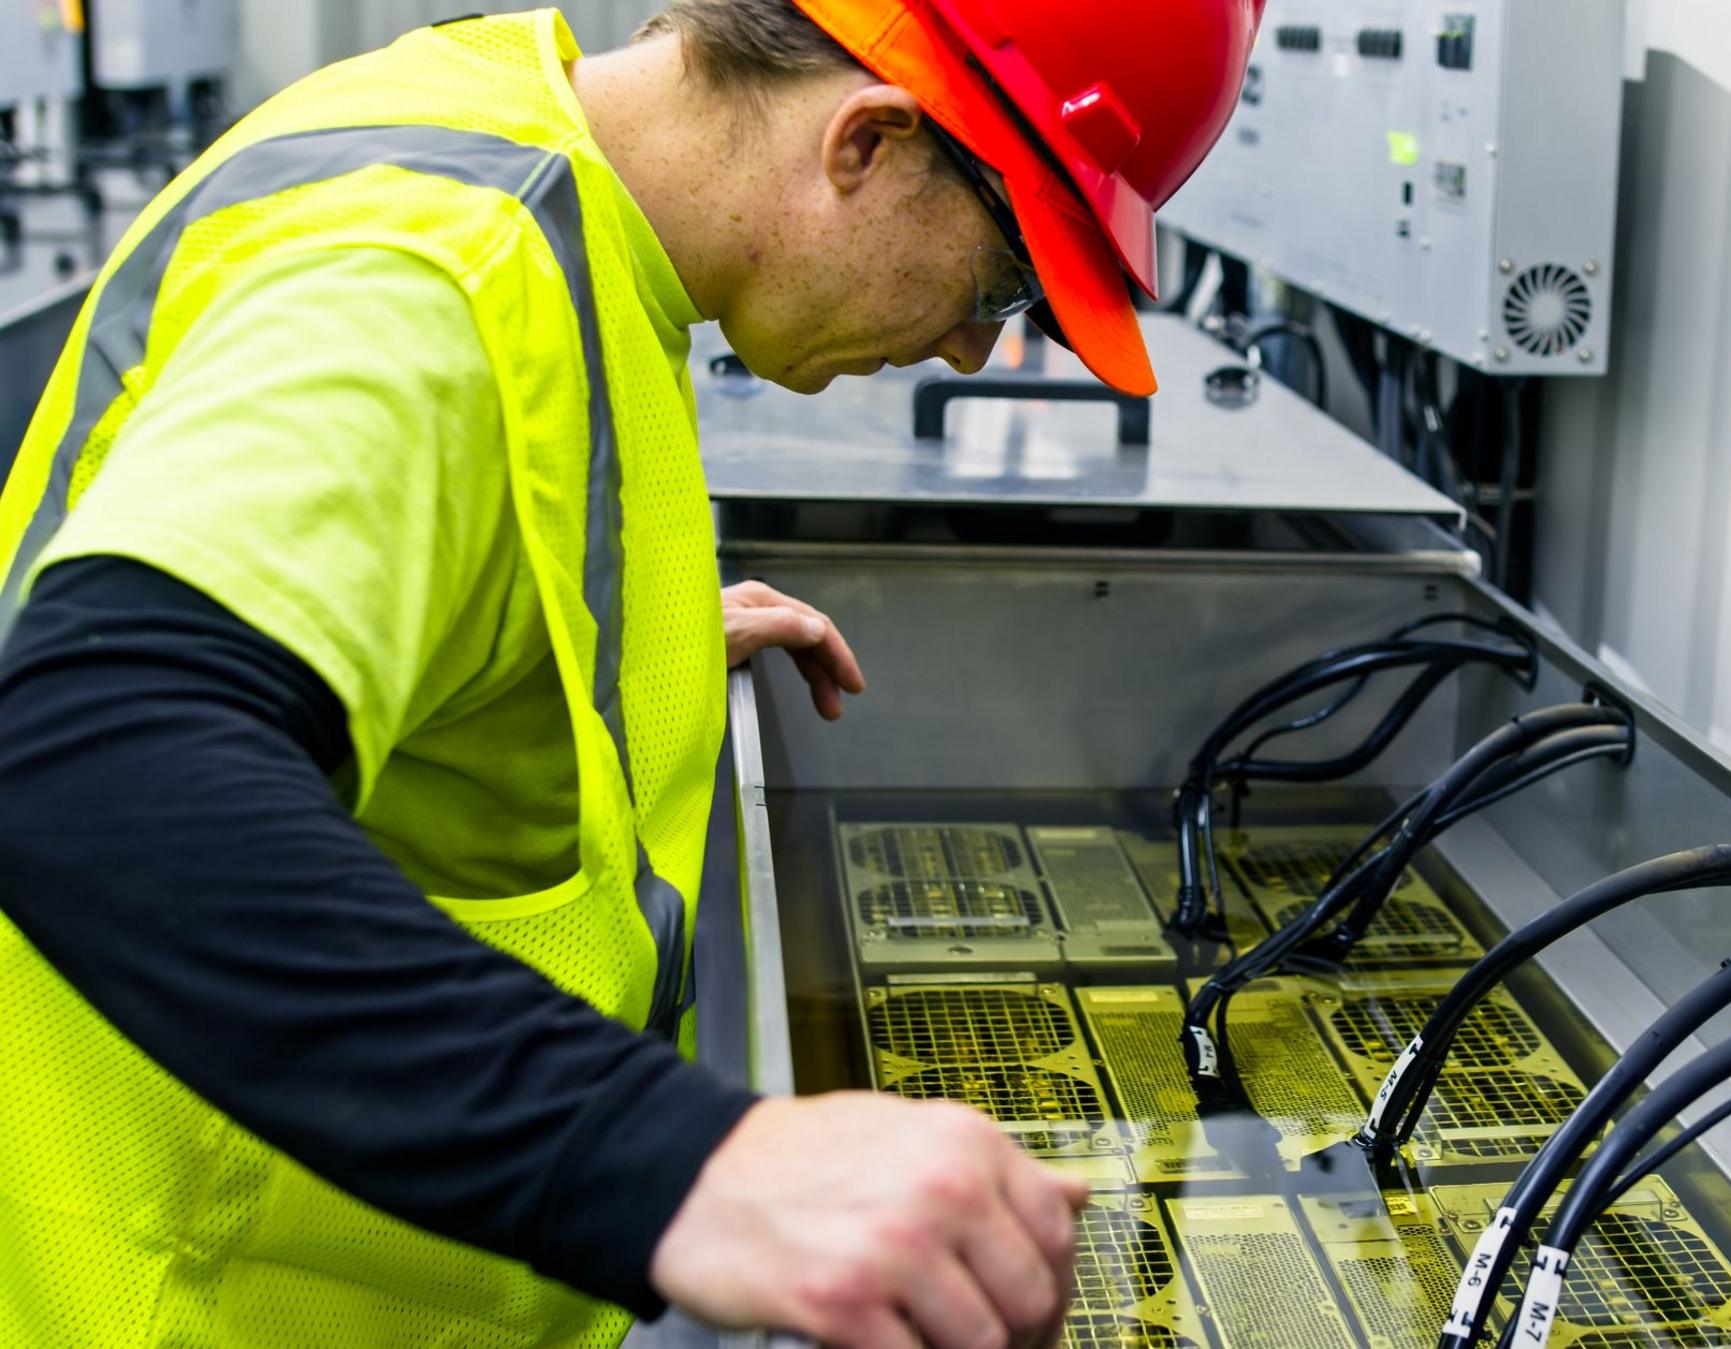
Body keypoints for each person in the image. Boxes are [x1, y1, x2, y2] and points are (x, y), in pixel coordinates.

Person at [0, 1, 1260, 1344]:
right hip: (210, 1296)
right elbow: (95, 746)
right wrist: (681, 1160)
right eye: (1001, 281)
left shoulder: (533, 153)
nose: (971, 346)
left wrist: (531, 643)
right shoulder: (439, 279)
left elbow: (401, 519)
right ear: (869, 143)